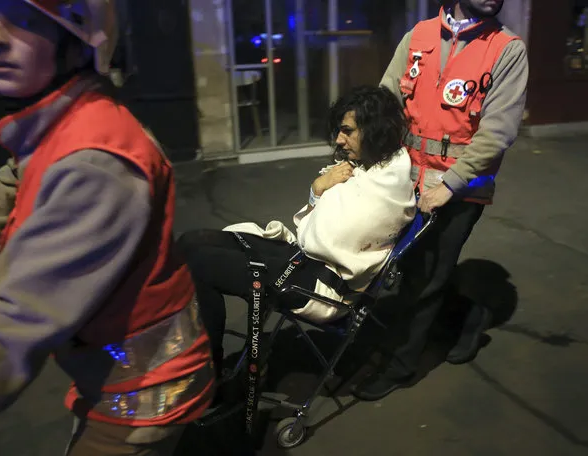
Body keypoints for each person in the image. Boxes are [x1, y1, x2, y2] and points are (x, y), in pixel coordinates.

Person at [0, 1, 215, 454]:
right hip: (110, 367)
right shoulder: (48, 133)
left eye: (26, 19)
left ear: (77, 41)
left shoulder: (92, 162)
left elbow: (10, 332)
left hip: (145, 391)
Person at [352, 0, 528, 401]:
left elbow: (498, 130)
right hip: (407, 179)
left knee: (425, 276)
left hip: (461, 187)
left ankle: (400, 366)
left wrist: (449, 185)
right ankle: (467, 317)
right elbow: (386, 99)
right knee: (408, 266)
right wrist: (360, 153)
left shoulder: (506, 48)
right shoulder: (419, 37)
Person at [178, 85, 417, 379]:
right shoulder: (371, 166)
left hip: (322, 288)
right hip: (307, 261)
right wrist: (320, 191)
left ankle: (206, 374)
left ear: (376, 130)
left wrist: (319, 191)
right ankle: (199, 359)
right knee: (191, 241)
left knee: (200, 265)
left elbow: (314, 238)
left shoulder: (384, 188)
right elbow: (314, 229)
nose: (340, 141)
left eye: (348, 131)